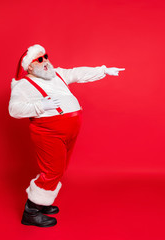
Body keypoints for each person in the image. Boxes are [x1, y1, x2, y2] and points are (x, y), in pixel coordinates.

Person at [8, 44, 125, 227]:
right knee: (52, 171)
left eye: (46, 56)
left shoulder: (57, 74)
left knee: (59, 169)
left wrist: (103, 70)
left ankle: (42, 203)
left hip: (68, 131)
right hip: (48, 132)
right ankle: (31, 211)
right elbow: (14, 110)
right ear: (29, 66)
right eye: (40, 59)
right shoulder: (24, 85)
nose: (46, 61)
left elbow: (78, 73)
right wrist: (40, 106)